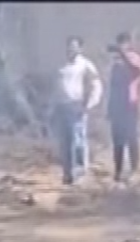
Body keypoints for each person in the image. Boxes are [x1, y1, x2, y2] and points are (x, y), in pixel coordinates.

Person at [55, 36, 102, 185]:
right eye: (69, 46)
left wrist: (89, 105)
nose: (71, 49)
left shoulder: (86, 65)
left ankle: (79, 172)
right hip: (62, 106)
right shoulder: (61, 65)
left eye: (74, 46)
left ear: (80, 49)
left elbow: (96, 85)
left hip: (77, 106)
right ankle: (67, 173)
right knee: (64, 142)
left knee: (78, 141)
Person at [106, 31, 140, 184]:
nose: (121, 46)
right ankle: (118, 170)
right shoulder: (116, 63)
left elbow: (137, 70)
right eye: (119, 43)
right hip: (117, 105)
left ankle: (134, 168)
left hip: (130, 104)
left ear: (129, 44)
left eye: (123, 43)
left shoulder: (134, 58)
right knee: (117, 140)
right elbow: (112, 86)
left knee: (131, 137)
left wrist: (124, 55)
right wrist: (109, 107)